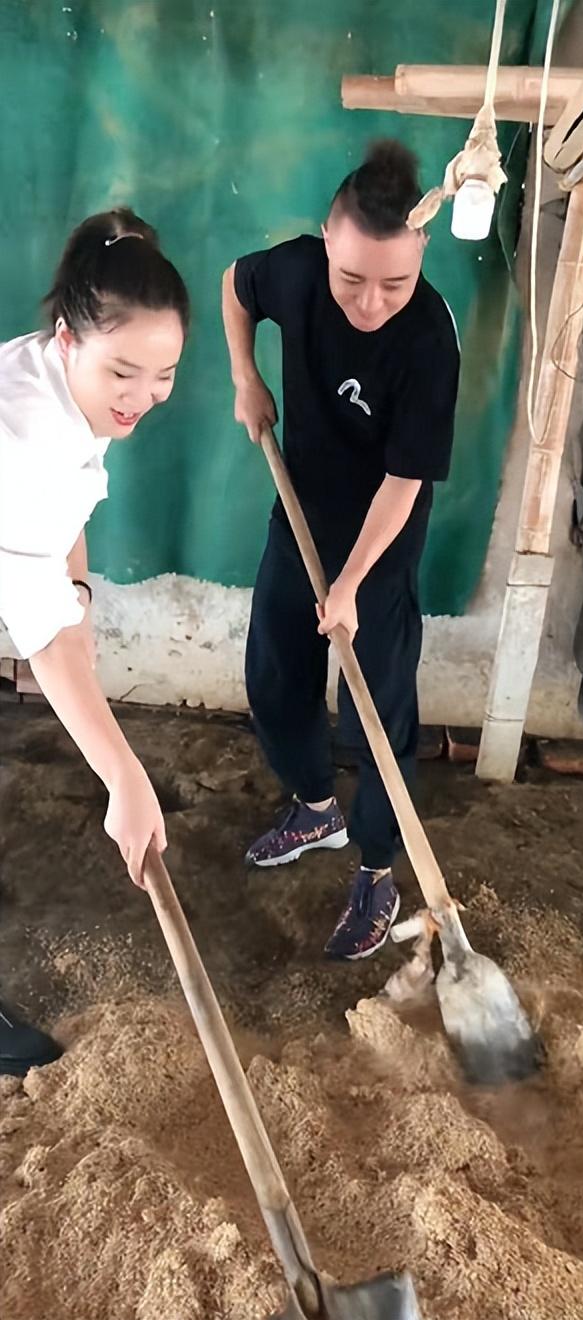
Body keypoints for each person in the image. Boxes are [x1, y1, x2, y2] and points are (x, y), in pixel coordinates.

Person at [222, 139, 460, 961]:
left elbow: (404, 481)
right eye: (351, 277)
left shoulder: (428, 339)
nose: (369, 302)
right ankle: (315, 806)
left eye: (393, 282)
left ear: (421, 256)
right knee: (276, 677)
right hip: (300, 515)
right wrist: (245, 375)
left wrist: (353, 584)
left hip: (379, 546)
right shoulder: (291, 272)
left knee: (375, 709)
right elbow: (234, 285)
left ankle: (376, 866)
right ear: (327, 242)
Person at [0, 208, 189, 1074]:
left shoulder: (61, 385)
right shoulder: (27, 439)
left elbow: (65, 540)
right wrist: (124, 776)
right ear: (70, 336)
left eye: (165, 375)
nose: (143, 396)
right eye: (124, 371)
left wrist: (76, 597)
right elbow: (45, 641)